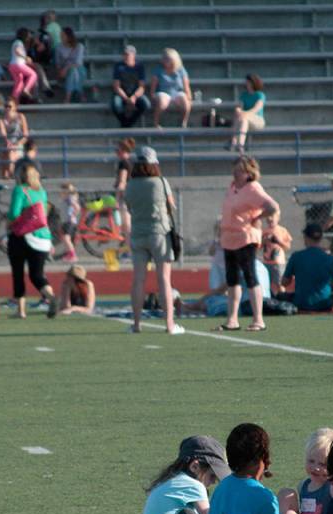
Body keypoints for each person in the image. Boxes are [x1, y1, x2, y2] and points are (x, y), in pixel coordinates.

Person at [216, 156, 279, 332]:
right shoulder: (233, 187)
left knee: (250, 277)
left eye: (240, 171)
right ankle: (232, 319)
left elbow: (272, 206)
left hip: (245, 238)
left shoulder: (253, 188)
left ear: (249, 173)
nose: (235, 174)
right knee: (232, 280)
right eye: (234, 170)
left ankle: (258, 319)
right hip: (229, 238)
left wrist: (256, 217)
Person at [126, 146, 184, 335]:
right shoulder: (160, 182)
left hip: (138, 233)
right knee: (164, 280)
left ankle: (136, 324)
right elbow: (171, 206)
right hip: (159, 232)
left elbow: (129, 207)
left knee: (138, 280)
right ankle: (169, 324)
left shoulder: (130, 184)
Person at [277, 427, 333, 514]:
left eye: (322, 464)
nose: (315, 468)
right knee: (286, 493)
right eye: (311, 461)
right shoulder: (304, 485)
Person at [7, 164, 57, 319]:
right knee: (37, 275)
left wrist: (9, 220)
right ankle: (50, 297)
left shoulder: (20, 190)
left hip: (23, 236)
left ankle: (21, 311)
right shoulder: (41, 191)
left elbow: (14, 214)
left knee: (18, 272)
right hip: (43, 238)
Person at [279, 223, 333, 312]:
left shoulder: (296, 256)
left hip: (300, 303)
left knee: (280, 296)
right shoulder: (329, 258)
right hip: (324, 304)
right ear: (320, 238)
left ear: (306, 237)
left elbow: (284, 283)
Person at [149, 48, 191, 128]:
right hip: (163, 92)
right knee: (162, 103)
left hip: (177, 92)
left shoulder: (181, 70)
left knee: (186, 102)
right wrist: (152, 95)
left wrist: (188, 95)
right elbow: (153, 84)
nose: (166, 61)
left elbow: (186, 85)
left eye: (168, 59)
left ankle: (183, 122)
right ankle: (155, 123)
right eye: (165, 59)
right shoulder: (158, 69)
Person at [111, 45, 151, 128]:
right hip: (122, 94)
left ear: (134, 55)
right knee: (116, 105)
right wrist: (126, 98)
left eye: (128, 54)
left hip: (135, 93)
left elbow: (141, 87)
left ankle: (127, 124)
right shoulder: (118, 66)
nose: (126, 56)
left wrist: (134, 97)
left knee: (146, 105)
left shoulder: (139, 67)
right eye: (124, 54)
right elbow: (116, 86)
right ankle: (126, 124)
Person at [228, 74, 266, 153]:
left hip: (257, 120)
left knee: (243, 117)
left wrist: (244, 113)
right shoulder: (244, 95)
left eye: (249, 82)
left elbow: (256, 108)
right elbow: (240, 106)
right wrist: (238, 110)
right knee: (242, 119)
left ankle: (234, 142)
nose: (247, 84)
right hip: (244, 120)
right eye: (247, 82)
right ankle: (239, 144)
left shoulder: (260, 95)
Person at [0, 99, 29, 180]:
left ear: (15, 107)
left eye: (10, 106)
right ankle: (10, 176)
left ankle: (10, 175)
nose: (7, 108)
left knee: (10, 155)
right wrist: (7, 142)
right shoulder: (1, 119)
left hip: (18, 143)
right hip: (6, 144)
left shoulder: (21, 117)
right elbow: (3, 133)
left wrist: (17, 144)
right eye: (6, 106)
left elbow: (26, 135)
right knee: (8, 152)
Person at [8, 28, 40, 103]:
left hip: (12, 66)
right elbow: (17, 51)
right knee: (33, 74)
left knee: (19, 82)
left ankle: (14, 101)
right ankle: (26, 89)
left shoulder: (16, 42)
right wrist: (25, 57)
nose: (29, 37)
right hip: (18, 65)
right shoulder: (19, 42)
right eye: (28, 35)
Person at [260, 221, 291, 295]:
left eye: (272, 217)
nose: (270, 219)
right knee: (266, 283)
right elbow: (259, 246)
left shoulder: (282, 230)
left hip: (278, 263)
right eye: (268, 218)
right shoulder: (264, 231)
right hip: (266, 263)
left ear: (277, 218)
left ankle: (283, 299)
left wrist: (278, 241)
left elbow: (287, 247)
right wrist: (264, 241)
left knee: (279, 284)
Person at [56, 27, 86, 103]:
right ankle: (81, 94)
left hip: (79, 69)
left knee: (73, 71)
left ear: (69, 36)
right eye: (60, 35)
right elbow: (58, 63)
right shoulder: (59, 47)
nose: (61, 37)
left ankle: (68, 97)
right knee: (73, 72)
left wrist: (66, 68)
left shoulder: (79, 46)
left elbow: (78, 63)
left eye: (63, 35)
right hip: (64, 71)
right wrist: (60, 71)